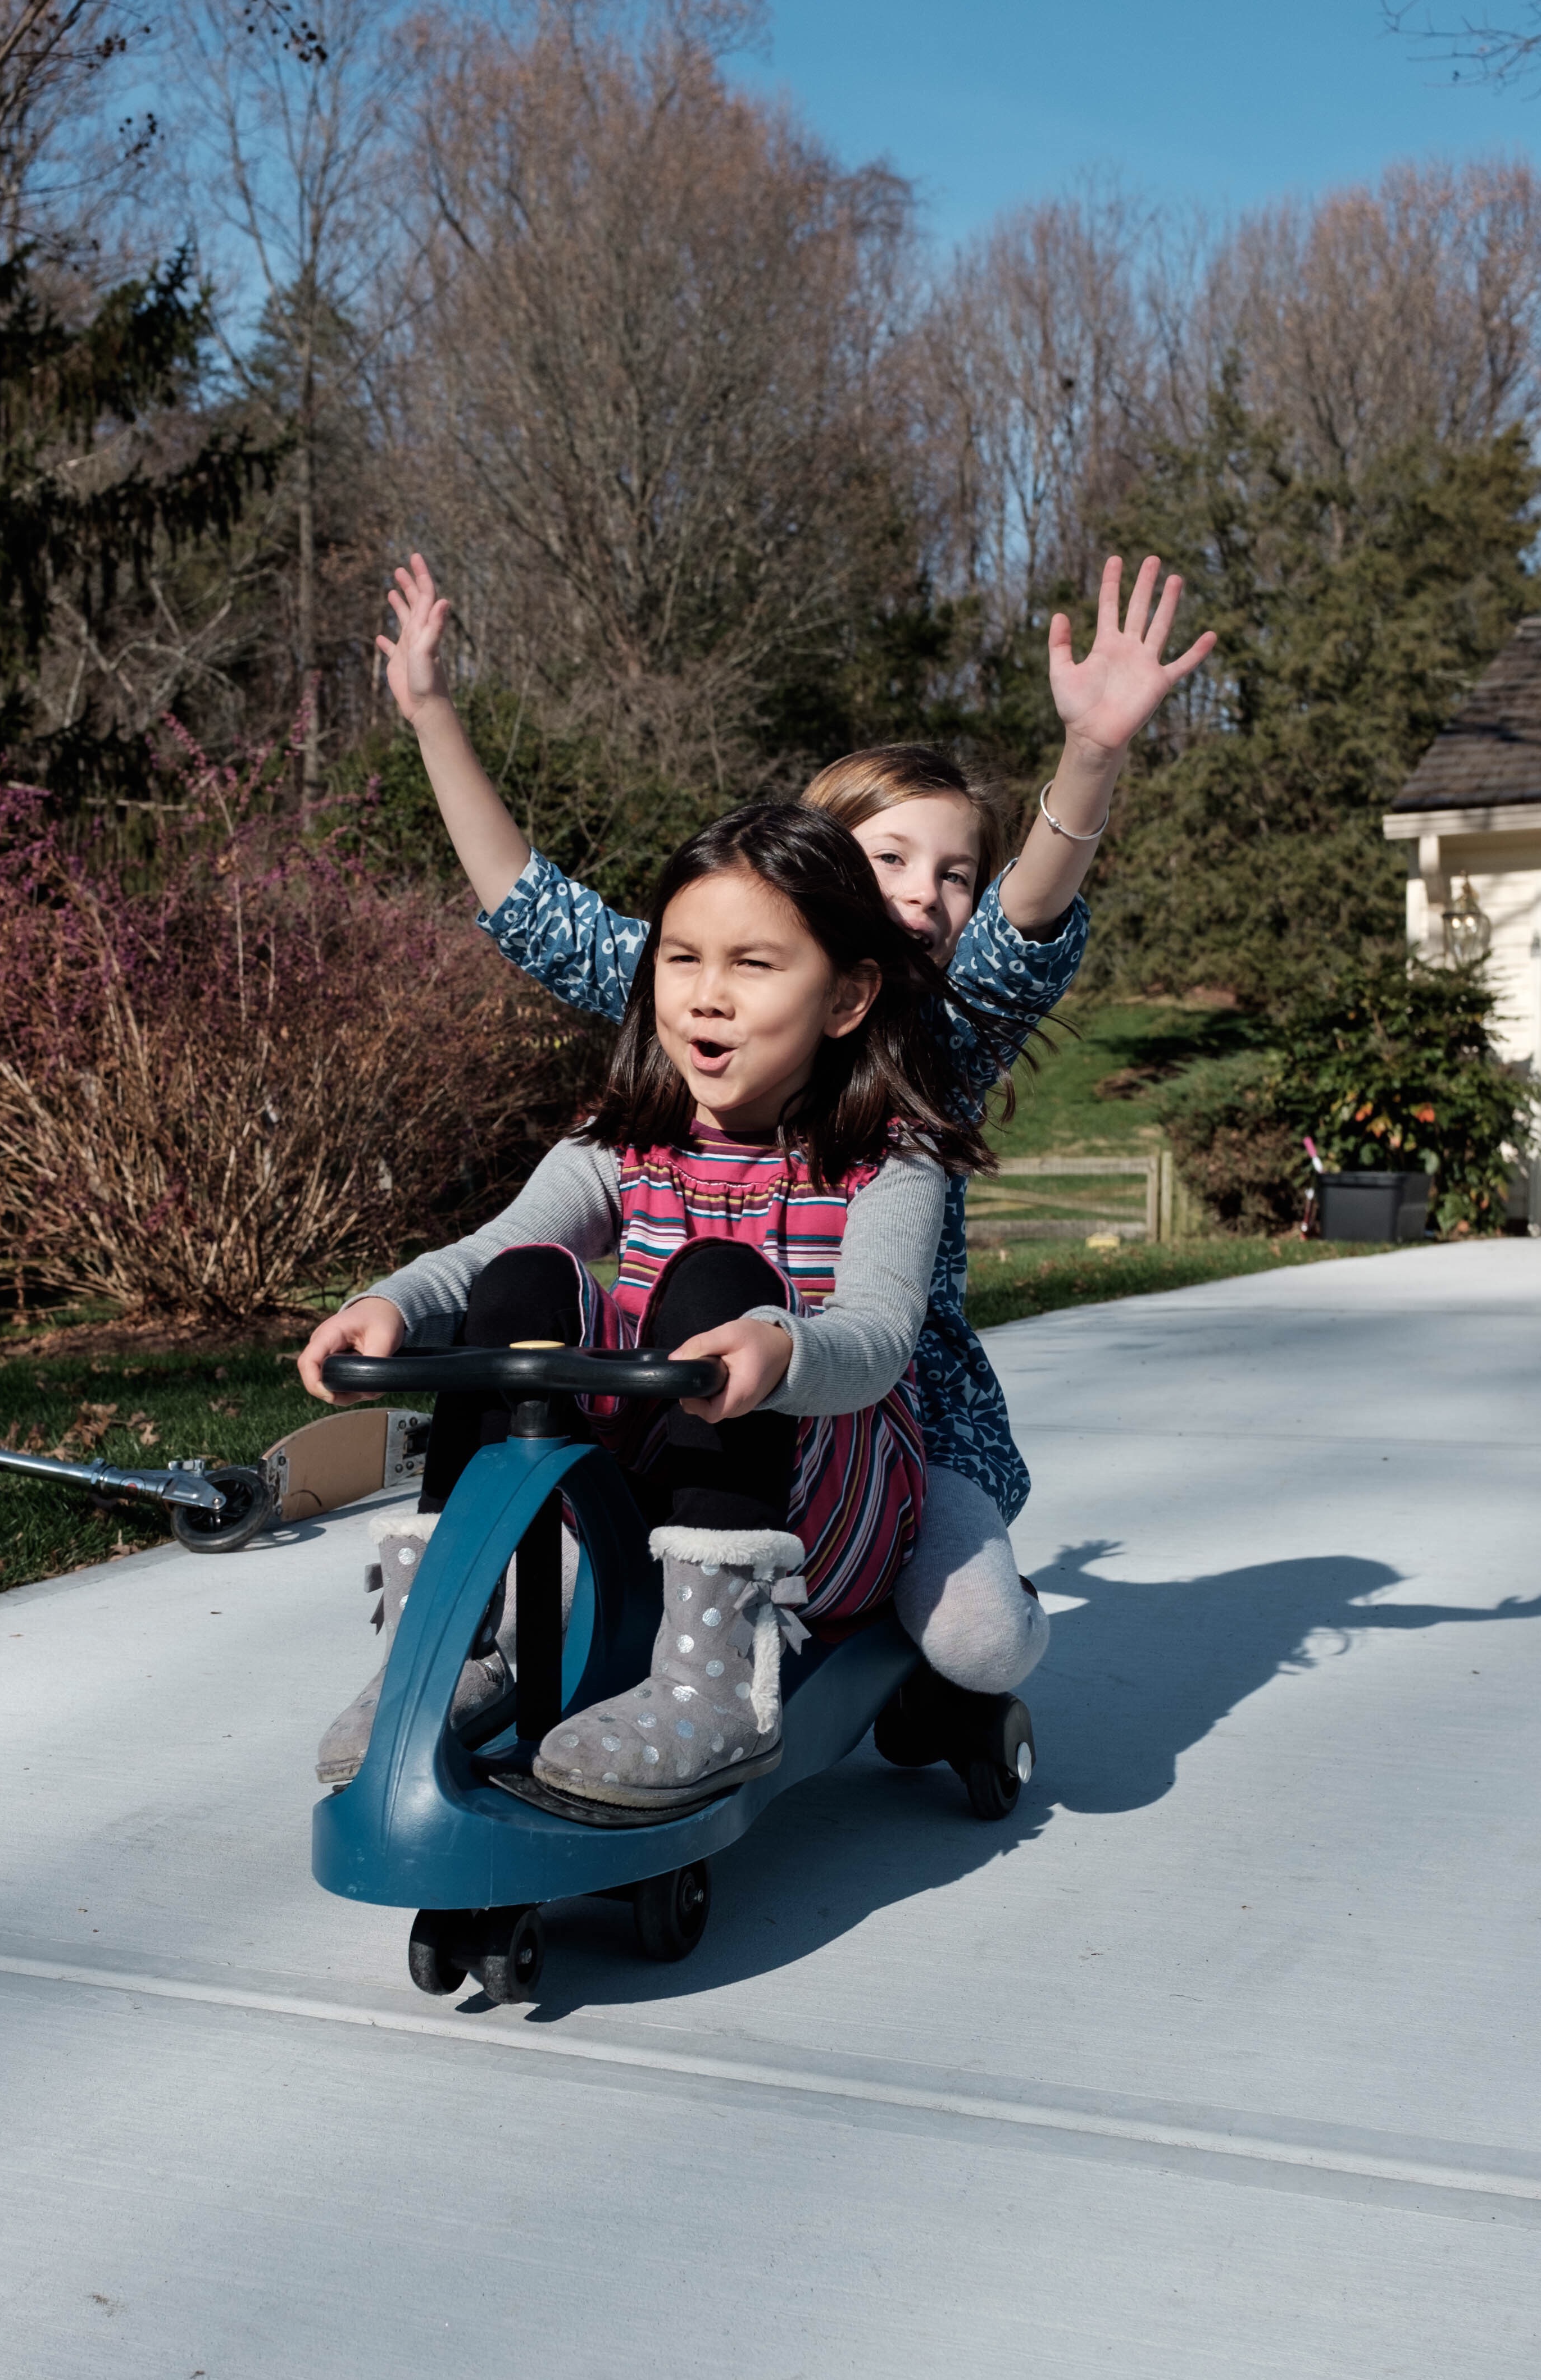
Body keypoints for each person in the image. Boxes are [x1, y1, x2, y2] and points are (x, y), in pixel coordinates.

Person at [360, 553, 1216, 1709]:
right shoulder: (724, 984)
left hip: (890, 1397)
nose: (926, 893)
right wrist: (430, 715)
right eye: (891, 859)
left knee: (973, 1641)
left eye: (954, 873)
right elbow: (535, 910)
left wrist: (1094, 755)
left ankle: (920, 1655)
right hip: (696, 1389)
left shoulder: (945, 1032)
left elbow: (1026, 923)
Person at [298, 804, 1026, 1813]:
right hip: (651, 1485)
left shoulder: (887, 1159)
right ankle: (438, 1651)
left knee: (722, 1280)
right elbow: (488, 1248)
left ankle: (712, 1683)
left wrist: (781, 1345)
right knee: (522, 1284)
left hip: (821, 1499)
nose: (706, 999)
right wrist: (390, 1303)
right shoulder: (625, 1141)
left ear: (848, 997)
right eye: (681, 959)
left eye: (754, 966)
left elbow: (878, 1336)